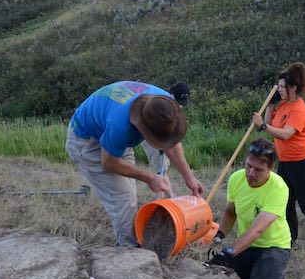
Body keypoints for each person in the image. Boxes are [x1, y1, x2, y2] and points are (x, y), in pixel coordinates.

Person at [65, 81, 204, 248]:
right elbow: (109, 162)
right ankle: (128, 253)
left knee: (129, 194)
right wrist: (149, 178)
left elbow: (172, 145)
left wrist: (189, 178)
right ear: (143, 127)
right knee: (123, 199)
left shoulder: (164, 106)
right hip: (87, 140)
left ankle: (131, 242)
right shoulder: (120, 125)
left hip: (112, 135)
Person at [251, 63, 305, 248]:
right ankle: (291, 240)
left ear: (293, 88)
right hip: (285, 162)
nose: (280, 90)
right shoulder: (282, 106)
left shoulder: (300, 109)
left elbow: (285, 133)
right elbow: (270, 124)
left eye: (283, 87)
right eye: (279, 87)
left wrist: (262, 126)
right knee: (286, 202)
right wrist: (271, 105)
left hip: (303, 163)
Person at [206, 138, 291, 279]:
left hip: (273, 247)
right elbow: (231, 212)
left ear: (270, 168)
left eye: (258, 170)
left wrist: (231, 251)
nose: (251, 174)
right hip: (246, 246)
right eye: (248, 166)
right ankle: (257, 273)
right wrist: (220, 235)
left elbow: (257, 230)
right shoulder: (236, 179)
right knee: (211, 271)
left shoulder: (279, 188)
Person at [140, 82, 190, 197]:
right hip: (149, 135)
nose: (180, 106)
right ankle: (165, 200)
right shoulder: (160, 103)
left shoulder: (171, 105)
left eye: (182, 103)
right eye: (177, 101)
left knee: (163, 168)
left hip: (162, 136)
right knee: (160, 169)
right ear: (171, 94)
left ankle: (168, 198)